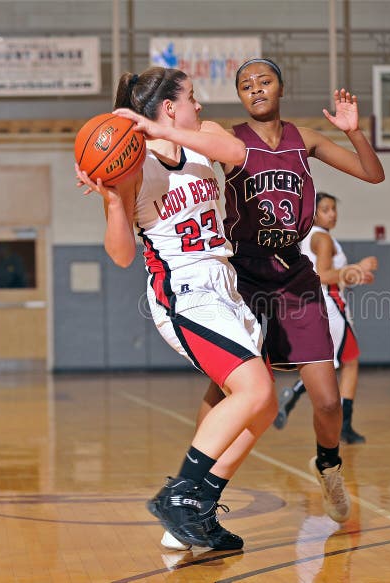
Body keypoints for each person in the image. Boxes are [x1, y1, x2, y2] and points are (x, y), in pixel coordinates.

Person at [75, 66, 277, 551]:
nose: (200, 106)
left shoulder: (203, 136)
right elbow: (122, 255)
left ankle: (199, 510)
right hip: (183, 290)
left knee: (263, 405)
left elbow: (240, 154)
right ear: (169, 105)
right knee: (253, 388)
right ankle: (180, 494)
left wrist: (163, 131)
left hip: (226, 284)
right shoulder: (131, 166)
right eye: (191, 98)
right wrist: (114, 202)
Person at [196, 57, 384, 528]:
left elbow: (373, 173)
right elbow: (179, 147)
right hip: (246, 272)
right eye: (246, 85)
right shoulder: (231, 140)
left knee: (326, 400)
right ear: (239, 96)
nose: (256, 89)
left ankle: (328, 465)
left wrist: (355, 131)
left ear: (281, 87)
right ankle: (195, 484)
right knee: (227, 387)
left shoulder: (307, 141)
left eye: (264, 81)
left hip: (295, 277)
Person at [274, 192, 378, 445]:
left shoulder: (305, 237)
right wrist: (358, 268)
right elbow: (323, 274)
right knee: (348, 363)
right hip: (329, 304)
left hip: (314, 303)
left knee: (328, 363)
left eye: (333, 208)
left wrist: (350, 275)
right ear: (314, 213)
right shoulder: (322, 238)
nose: (332, 213)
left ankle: (295, 395)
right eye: (325, 209)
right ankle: (344, 425)